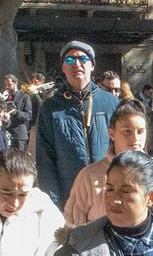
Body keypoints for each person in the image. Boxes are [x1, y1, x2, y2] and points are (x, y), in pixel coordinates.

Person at [34, 39, 120, 207]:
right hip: (69, 195)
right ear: (63, 68)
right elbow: (45, 159)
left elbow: (122, 150)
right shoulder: (51, 107)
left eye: (83, 59)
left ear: (92, 65)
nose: (77, 64)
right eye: (70, 60)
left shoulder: (111, 103)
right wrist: (52, 202)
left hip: (106, 192)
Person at [64, 102, 150, 226]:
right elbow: (73, 223)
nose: (135, 138)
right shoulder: (89, 175)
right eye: (127, 132)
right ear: (112, 134)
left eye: (140, 131)